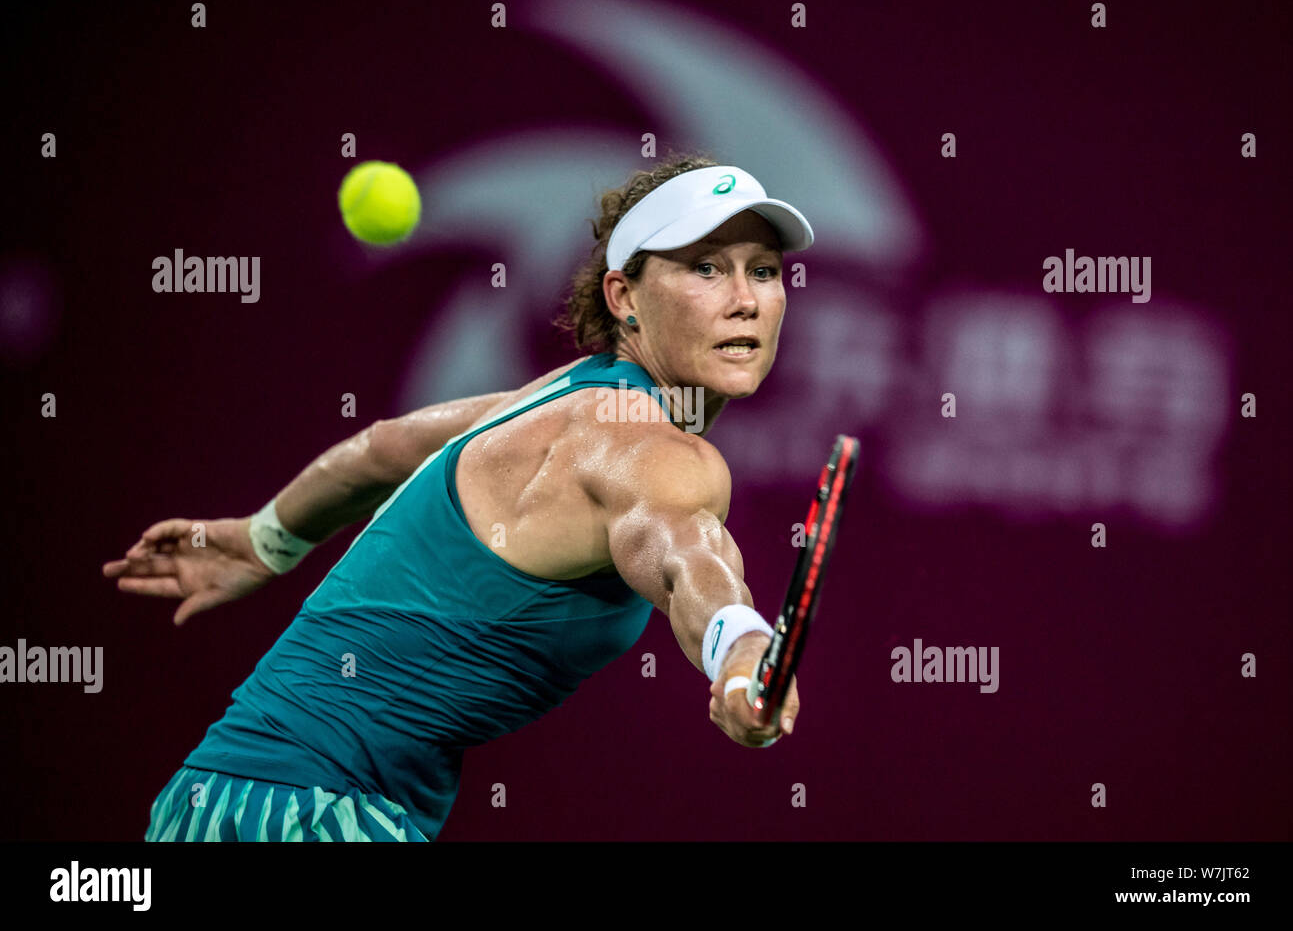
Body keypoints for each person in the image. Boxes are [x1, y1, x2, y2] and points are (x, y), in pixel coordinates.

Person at [103, 152, 815, 841]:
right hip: (318, 815)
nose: (746, 300)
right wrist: (743, 656)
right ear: (624, 296)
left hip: (214, 800)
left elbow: (383, 448)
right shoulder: (654, 451)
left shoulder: (563, 397)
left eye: (762, 271)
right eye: (705, 269)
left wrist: (265, 540)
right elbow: (685, 555)